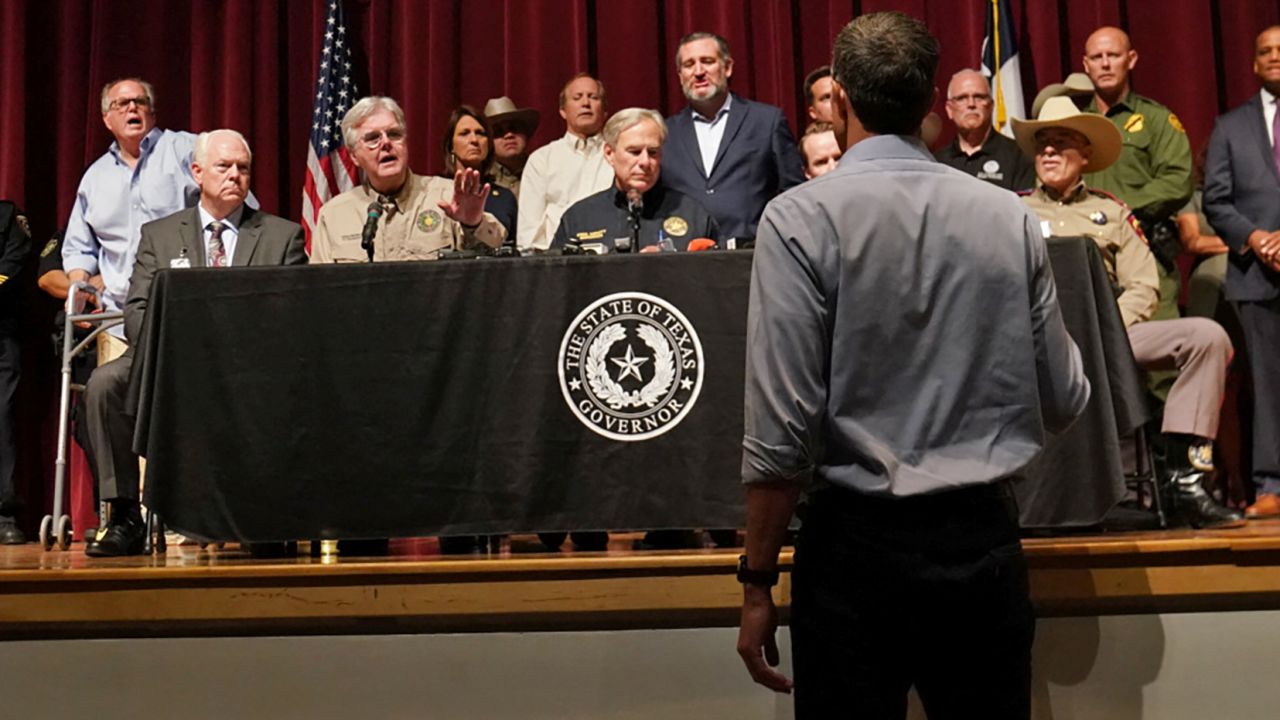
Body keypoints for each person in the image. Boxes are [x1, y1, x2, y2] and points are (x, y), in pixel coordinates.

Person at [737, 12, 1089, 718]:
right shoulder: (1010, 217)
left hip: (853, 555)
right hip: (981, 544)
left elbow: (783, 434)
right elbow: (1063, 396)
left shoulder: (799, 219)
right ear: (933, 101)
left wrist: (756, 581)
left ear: (836, 98)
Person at [1016, 97, 1242, 529]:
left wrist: (1104, 330)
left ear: (1084, 154)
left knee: (1207, 337)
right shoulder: (1013, 210)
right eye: (1042, 144)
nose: (1047, 151)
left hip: (1110, 336)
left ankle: (1184, 479)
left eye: (1060, 143)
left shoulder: (1112, 212)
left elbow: (1144, 284)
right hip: (1037, 345)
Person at [85, 130, 308, 557]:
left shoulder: (282, 237)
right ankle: (126, 515)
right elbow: (136, 310)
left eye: (243, 168)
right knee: (104, 385)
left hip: (252, 367)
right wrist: (177, 351)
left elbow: (292, 316)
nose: (235, 176)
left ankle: (264, 515)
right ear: (197, 172)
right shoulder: (160, 235)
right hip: (168, 361)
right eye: (224, 166)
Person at [62, 78, 209, 337]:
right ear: (107, 119)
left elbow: (231, 208)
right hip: (119, 321)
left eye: (139, 102)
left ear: (152, 112)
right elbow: (78, 246)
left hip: (186, 309)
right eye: (122, 104)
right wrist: (79, 285)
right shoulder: (95, 178)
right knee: (110, 378)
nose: (132, 108)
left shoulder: (187, 151)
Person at [1204, 25, 1280, 519]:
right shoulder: (1230, 126)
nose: (1275, 57)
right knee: (1269, 385)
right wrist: (1257, 239)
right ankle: (1272, 484)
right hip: (1258, 273)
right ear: (1253, 63)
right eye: (1266, 52)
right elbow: (1216, 198)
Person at [1082, 26, 1193, 330]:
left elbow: (1178, 179)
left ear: (1130, 60)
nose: (1105, 63)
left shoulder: (1156, 120)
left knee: (1161, 365)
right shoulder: (1074, 122)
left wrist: (1118, 210)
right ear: (1085, 65)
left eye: (1113, 55)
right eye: (1097, 56)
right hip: (1088, 258)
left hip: (1146, 251)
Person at [310, 96, 504, 262]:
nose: (386, 143)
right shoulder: (334, 215)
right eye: (372, 138)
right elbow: (320, 290)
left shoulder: (448, 195)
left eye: (394, 134)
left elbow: (494, 263)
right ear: (354, 156)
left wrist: (473, 224)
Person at [661, 32, 805, 243]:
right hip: (684, 260)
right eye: (689, 64)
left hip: (752, 254)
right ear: (680, 75)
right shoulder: (665, 133)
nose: (698, 72)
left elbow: (794, 193)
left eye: (707, 62)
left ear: (727, 67)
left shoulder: (766, 121)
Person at [552, 107, 719, 252]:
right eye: (634, 152)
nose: (645, 162)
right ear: (609, 154)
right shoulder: (580, 218)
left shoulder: (693, 214)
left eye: (653, 152)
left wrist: (670, 264)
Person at [516, 74, 613, 253]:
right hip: (558, 262)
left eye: (593, 97)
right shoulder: (542, 159)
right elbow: (528, 232)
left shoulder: (617, 154)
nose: (586, 103)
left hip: (610, 258)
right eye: (577, 98)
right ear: (562, 110)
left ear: (605, 110)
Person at [934, 69, 1035, 191]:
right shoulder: (936, 162)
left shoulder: (1019, 157)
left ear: (991, 106)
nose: (971, 104)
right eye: (962, 98)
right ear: (949, 110)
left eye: (979, 97)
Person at [441, 105, 518, 242]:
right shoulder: (435, 190)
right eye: (464, 133)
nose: (474, 140)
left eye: (480, 133)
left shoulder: (504, 198)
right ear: (451, 146)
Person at [0, 201, 31, 544]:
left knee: (1, 418)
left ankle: (4, 513)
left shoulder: (8, 216)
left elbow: (14, 262)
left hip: (1, 333)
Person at [483, 96, 539, 197]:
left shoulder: (542, 170)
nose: (509, 135)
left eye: (515, 128)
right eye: (498, 131)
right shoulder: (480, 179)